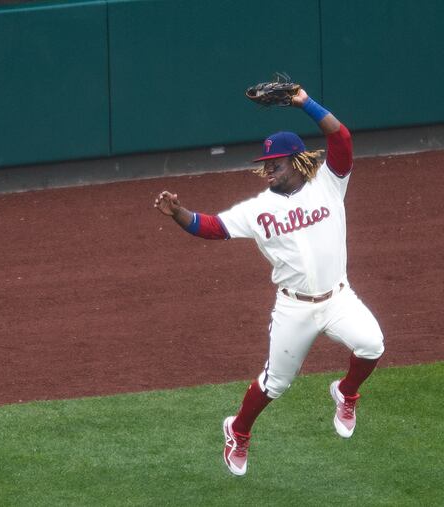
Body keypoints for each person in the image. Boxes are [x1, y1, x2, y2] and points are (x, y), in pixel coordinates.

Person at [154, 88, 385, 476]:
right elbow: (211, 227)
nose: (270, 168)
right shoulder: (259, 209)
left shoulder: (330, 182)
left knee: (372, 344)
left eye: (277, 162)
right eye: (268, 163)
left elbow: (341, 137)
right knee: (275, 383)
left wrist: (304, 102)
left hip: (339, 298)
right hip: (294, 307)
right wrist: (179, 212)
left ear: (297, 161)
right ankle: (238, 430)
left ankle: (346, 392)